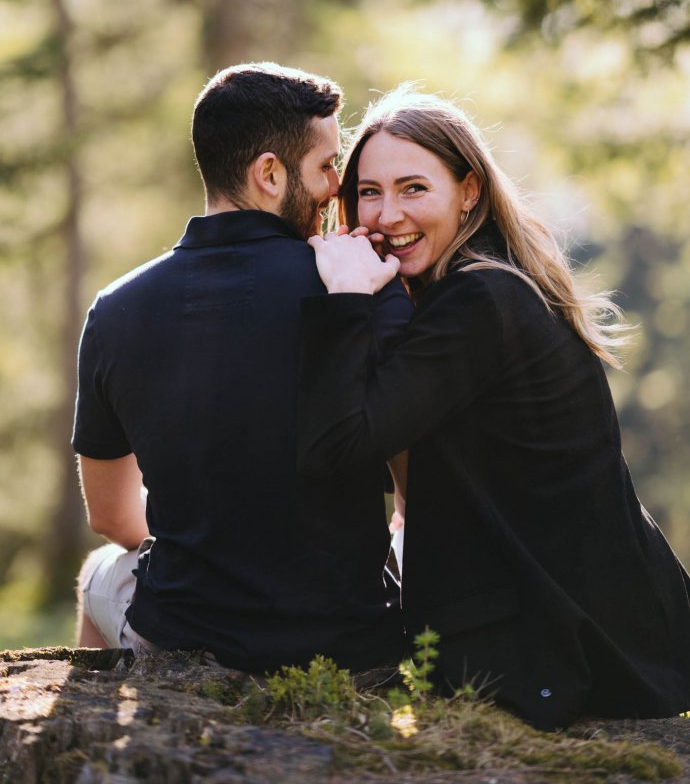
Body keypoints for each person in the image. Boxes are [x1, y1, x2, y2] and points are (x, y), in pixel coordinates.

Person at [296, 86, 690, 730]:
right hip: (587, 621)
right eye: (369, 192)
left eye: (414, 188)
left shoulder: (479, 301)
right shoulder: (481, 285)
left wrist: (344, 300)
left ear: (469, 191)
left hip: (563, 648)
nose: (388, 214)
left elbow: (337, 447)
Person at [72, 62, 412, 673]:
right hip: (354, 644)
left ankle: (99, 742)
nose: (337, 186)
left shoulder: (115, 310)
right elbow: (414, 491)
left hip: (188, 637)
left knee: (98, 575)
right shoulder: (365, 286)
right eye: (326, 166)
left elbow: (111, 518)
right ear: (270, 174)